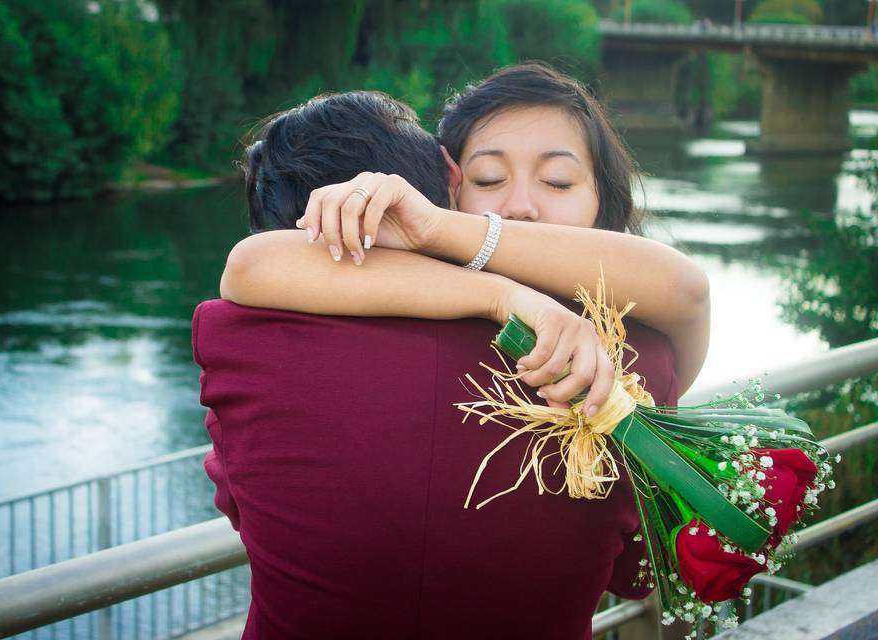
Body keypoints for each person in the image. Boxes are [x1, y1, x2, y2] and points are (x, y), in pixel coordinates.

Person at [196, 67, 703, 638]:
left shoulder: (244, 340)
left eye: (558, 182)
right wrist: (507, 296)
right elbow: (633, 573)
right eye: (489, 180)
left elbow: (247, 504)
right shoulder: (638, 362)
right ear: (449, 179)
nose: (518, 209)